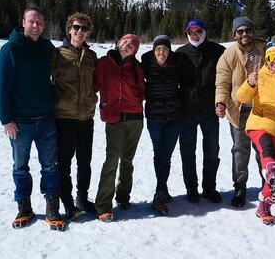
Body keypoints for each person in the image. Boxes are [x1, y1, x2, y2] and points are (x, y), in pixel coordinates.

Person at [0, 5, 66, 231]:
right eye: (31, 21)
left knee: (49, 166)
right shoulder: (10, 49)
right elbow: (1, 87)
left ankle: (51, 208)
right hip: (20, 122)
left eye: (39, 22)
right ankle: (24, 207)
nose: (35, 26)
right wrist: (6, 119)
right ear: (23, 22)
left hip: (46, 118)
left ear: (44, 25)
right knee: (21, 167)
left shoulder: (46, 47)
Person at [235, 36, 275, 225]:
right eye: (273, 56)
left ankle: (264, 207)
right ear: (267, 59)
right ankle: (272, 171)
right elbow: (241, 97)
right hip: (260, 124)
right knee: (270, 159)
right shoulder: (258, 75)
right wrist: (249, 83)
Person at [94, 33, 145, 222]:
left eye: (133, 43)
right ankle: (103, 206)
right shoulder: (103, 63)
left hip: (136, 119)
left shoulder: (137, 67)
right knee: (111, 160)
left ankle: (123, 197)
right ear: (117, 42)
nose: (128, 44)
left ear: (135, 50)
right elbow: (92, 85)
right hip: (114, 119)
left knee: (127, 160)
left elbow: (144, 90)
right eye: (125, 40)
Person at [52, 13, 97, 220]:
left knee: (85, 162)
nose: (80, 32)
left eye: (84, 29)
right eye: (77, 27)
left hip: (86, 118)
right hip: (65, 117)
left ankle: (82, 198)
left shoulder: (91, 56)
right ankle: (68, 203)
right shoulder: (57, 54)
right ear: (69, 28)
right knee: (64, 163)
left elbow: (96, 83)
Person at [215, 16, 264, 207]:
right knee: (240, 149)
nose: (244, 34)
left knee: (263, 149)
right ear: (235, 34)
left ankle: (268, 184)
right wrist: (220, 102)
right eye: (240, 31)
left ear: (252, 32)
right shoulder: (228, 54)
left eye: (247, 30)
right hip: (239, 109)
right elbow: (222, 82)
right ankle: (240, 186)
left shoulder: (263, 49)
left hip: (261, 109)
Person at [176, 19, 225, 203]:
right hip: (186, 111)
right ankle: (191, 188)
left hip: (209, 110)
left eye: (198, 31)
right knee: (188, 151)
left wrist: (223, 101)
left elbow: (226, 78)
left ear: (204, 31)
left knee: (212, 150)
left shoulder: (218, 51)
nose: (194, 35)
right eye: (191, 32)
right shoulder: (180, 53)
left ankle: (209, 188)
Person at [141, 35, 183, 215]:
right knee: (160, 154)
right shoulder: (146, 64)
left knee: (165, 155)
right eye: (158, 49)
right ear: (153, 50)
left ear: (169, 51)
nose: (161, 53)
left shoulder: (177, 65)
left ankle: (162, 190)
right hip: (154, 118)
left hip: (174, 117)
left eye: (165, 49)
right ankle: (161, 191)